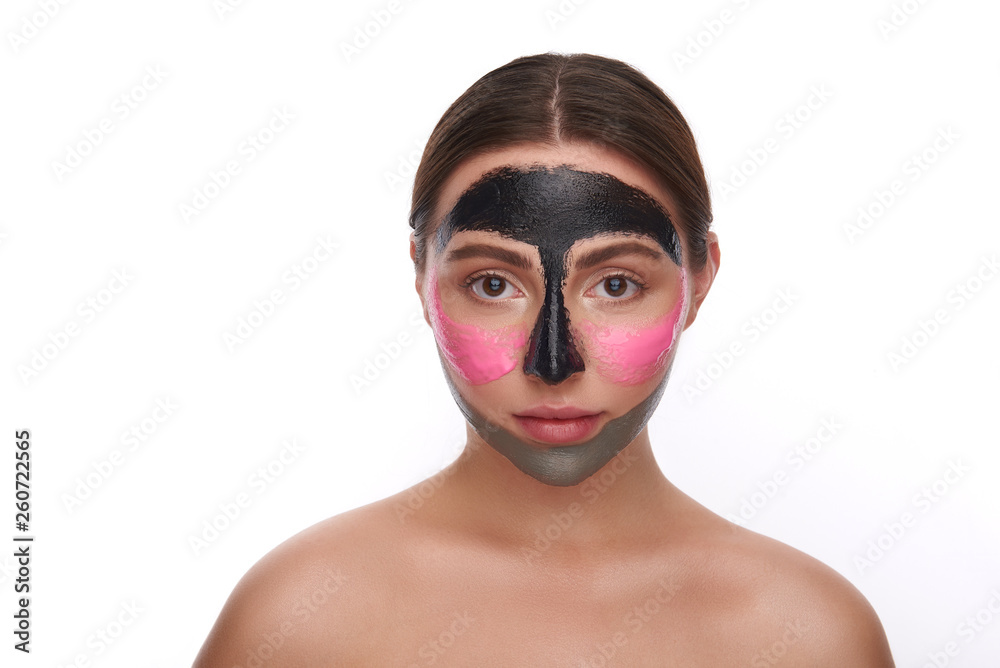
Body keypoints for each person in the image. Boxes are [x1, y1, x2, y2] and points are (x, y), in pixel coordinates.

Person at [193, 52, 896, 666]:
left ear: (699, 280)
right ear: (420, 276)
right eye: (492, 284)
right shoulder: (301, 619)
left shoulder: (808, 636)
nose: (552, 363)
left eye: (616, 284)